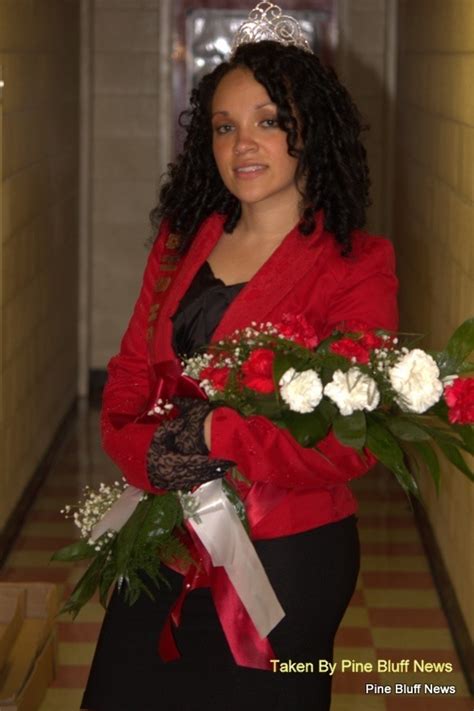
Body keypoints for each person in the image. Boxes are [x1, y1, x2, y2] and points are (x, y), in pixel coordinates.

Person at [81, 5, 398, 710]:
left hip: (287, 557)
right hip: (165, 539)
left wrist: (214, 434)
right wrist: (146, 454)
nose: (242, 143)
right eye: (224, 127)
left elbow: (351, 440)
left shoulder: (356, 266)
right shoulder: (179, 244)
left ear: (311, 131)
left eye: (268, 120)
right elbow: (130, 375)